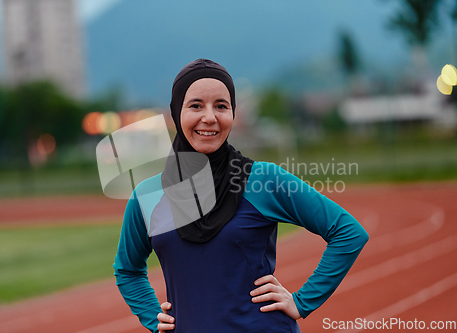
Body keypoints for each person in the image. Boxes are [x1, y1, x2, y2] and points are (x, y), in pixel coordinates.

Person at [113, 59, 369, 333]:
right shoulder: (147, 197)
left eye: (221, 106)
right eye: (196, 105)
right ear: (177, 112)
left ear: (233, 113)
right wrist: (154, 318)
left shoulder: (264, 180)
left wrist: (301, 302)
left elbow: (348, 232)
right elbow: (128, 270)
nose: (209, 117)